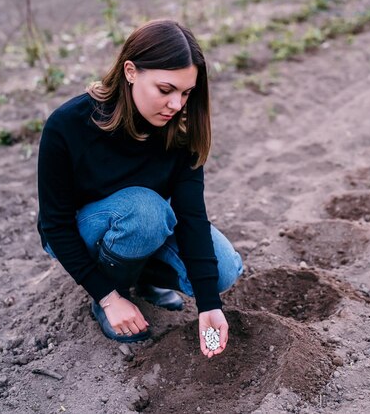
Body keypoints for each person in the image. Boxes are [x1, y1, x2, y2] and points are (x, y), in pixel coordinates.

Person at [36, 19, 243, 358]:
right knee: (145, 208)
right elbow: (54, 225)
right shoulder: (68, 124)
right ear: (130, 71)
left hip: (142, 225)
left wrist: (209, 305)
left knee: (223, 270)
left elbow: (191, 217)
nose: (176, 104)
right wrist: (108, 296)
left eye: (186, 93)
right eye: (166, 90)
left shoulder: (182, 128)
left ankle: (145, 279)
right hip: (82, 232)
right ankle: (114, 292)